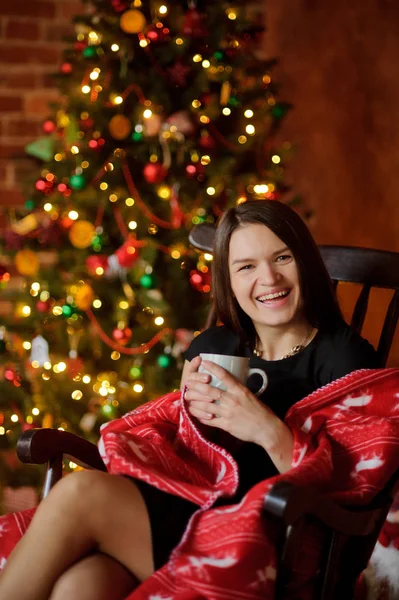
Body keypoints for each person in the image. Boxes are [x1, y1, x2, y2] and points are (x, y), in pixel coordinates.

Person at [0, 200, 379, 600]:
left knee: (80, 493)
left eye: (282, 257)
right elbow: (180, 446)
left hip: (265, 542)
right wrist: (187, 424)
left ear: (305, 262)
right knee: (81, 585)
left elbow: (352, 488)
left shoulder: (345, 358)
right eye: (246, 266)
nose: (268, 277)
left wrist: (265, 428)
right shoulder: (214, 347)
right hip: (191, 508)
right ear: (228, 280)